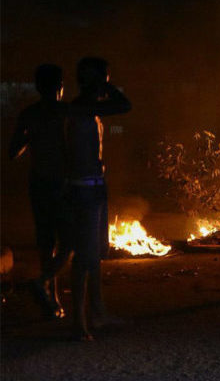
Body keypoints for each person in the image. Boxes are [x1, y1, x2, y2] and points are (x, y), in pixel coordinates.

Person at [65, 57, 131, 340]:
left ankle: (97, 313)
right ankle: (79, 323)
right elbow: (124, 105)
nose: (107, 84)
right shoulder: (83, 108)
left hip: (94, 187)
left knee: (94, 257)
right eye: (103, 78)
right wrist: (105, 83)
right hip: (83, 190)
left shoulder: (89, 110)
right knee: (84, 257)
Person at [9, 64, 72, 319]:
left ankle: (52, 298)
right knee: (68, 241)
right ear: (60, 86)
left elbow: (13, 151)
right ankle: (47, 288)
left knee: (47, 243)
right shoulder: (68, 112)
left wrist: (31, 137)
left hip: (39, 183)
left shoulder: (30, 114)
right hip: (63, 184)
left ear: (38, 87)